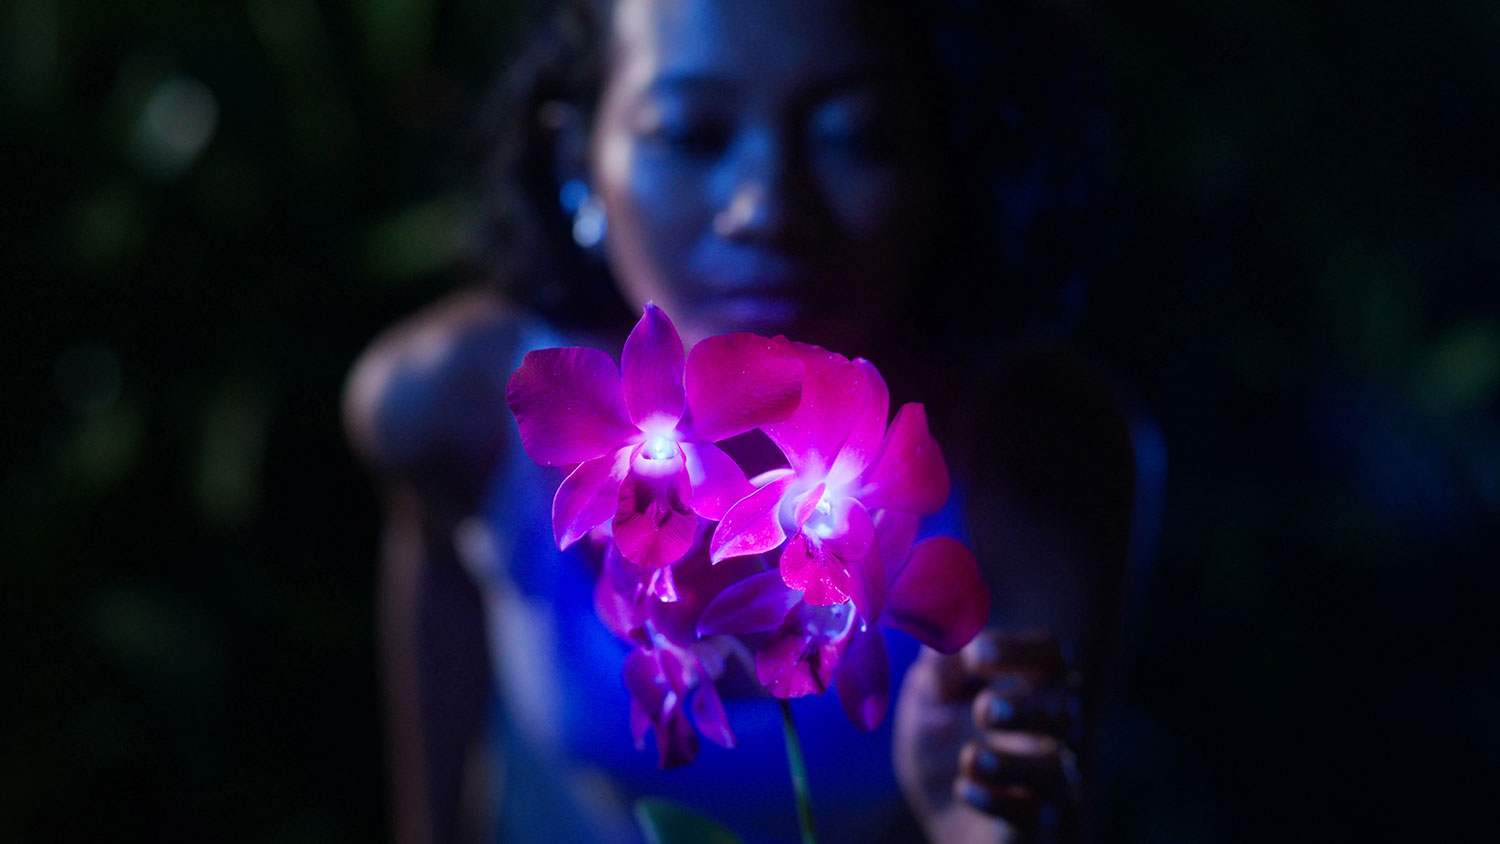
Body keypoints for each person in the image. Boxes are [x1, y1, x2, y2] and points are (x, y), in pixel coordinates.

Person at [343, 0, 1140, 841]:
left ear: (947, 154)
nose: (766, 208)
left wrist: (983, 829)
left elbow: (1033, 804)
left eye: (856, 136)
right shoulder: (447, 406)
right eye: (690, 133)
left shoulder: (1040, 458)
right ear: (577, 156)